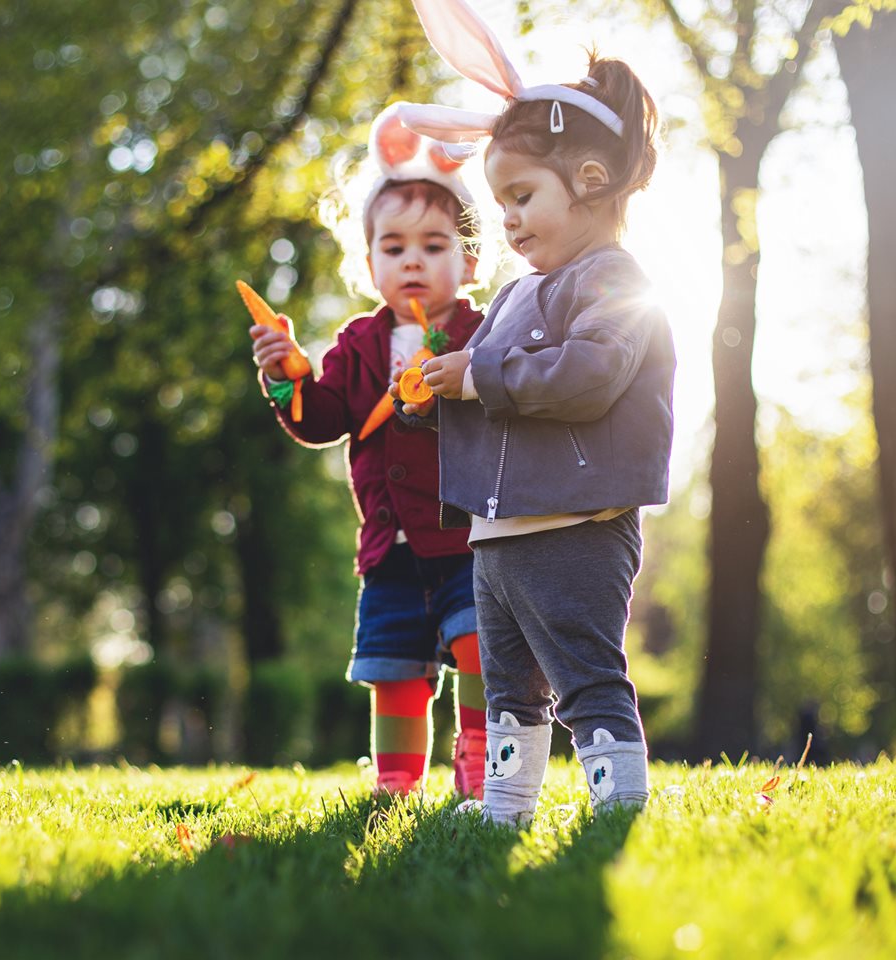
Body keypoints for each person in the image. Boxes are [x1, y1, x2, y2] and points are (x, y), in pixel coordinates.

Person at [393, 0, 675, 825]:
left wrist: (475, 376)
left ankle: (616, 804)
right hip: (499, 532)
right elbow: (493, 390)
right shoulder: (515, 294)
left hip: (577, 523)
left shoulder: (616, 281)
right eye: (500, 201)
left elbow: (584, 377)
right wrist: (431, 401)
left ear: (589, 182)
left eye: (521, 195)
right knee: (510, 690)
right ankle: (504, 807)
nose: (507, 219)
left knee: (585, 674)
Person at [250, 105, 490, 797]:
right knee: (392, 668)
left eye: (433, 244)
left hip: (468, 537)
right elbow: (323, 418)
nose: (412, 258)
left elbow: (508, 400)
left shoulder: (484, 331)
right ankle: (396, 785)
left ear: (469, 259)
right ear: (369, 264)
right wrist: (288, 375)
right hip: (389, 547)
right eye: (393, 247)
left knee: (480, 648)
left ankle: (477, 771)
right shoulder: (359, 344)